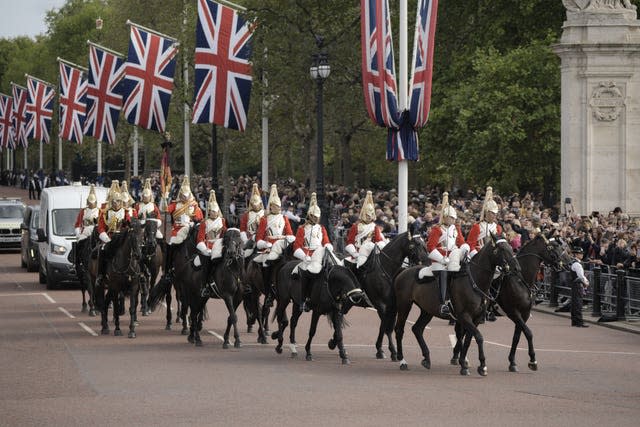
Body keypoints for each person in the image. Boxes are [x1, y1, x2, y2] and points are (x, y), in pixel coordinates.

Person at [418, 192, 470, 315]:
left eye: (454, 218)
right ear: (445, 217)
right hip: (439, 260)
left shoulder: (455, 228)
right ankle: (443, 303)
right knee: (443, 274)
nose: (453, 220)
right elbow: (430, 247)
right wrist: (442, 259)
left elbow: (461, 241)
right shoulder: (437, 229)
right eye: (451, 218)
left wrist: (465, 248)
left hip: (453, 258)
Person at [292, 193, 335, 312]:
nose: (317, 218)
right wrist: (304, 256)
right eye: (315, 216)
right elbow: (297, 247)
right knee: (306, 274)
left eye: (318, 216)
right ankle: (303, 299)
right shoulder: (302, 229)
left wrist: (328, 246)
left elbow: (326, 241)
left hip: (320, 253)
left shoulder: (321, 228)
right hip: (307, 256)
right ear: (310, 216)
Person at [164, 176, 204, 279]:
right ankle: (168, 268)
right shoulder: (175, 205)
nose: (185, 198)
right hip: (176, 230)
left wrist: (194, 222)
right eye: (183, 195)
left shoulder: (194, 206)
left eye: (186, 196)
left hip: (190, 229)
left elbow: (199, 219)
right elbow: (167, 213)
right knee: (169, 245)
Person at [95, 183, 131, 287]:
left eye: (118, 201)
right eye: (114, 201)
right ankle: (101, 275)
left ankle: (138, 274)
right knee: (102, 251)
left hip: (122, 238)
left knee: (135, 250)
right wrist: (105, 237)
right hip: (109, 237)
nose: (116, 204)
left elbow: (128, 225)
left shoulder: (125, 212)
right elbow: (101, 227)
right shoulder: (105, 212)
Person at [254, 184, 295, 265]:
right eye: (275, 206)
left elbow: (290, 234)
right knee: (265, 264)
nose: (277, 208)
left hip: (283, 245)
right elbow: (259, 238)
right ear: (271, 207)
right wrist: (265, 244)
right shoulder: (264, 219)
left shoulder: (284, 218)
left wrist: (287, 238)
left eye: (278, 206)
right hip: (269, 246)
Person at [344, 191, 387, 268]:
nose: (369, 217)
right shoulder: (355, 226)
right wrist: (354, 253)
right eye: (367, 215)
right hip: (357, 254)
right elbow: (350, 242)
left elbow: (378, 240)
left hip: (372, 254)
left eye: (371, 215)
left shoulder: (374, 227)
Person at [197, 190, 227, 298]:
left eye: (215, 211)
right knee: (206, 265)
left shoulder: (222, 221)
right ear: (209, 212)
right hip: (208, 247)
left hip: (220, 246)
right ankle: (204, 286)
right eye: (211, 211)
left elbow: (225, 234)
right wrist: (205, 250)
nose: (213, 213)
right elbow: (200, 239)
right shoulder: (204, 223)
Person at [466, 186, 502, 258]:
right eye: (492, 213)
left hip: (493, 256)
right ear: (487, 213)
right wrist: (477, 256)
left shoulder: (498, 228)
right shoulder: (477, 226)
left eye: (495, 213)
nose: (494, 215)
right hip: (478, 254)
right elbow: (471, 244)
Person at [73, 184, 100, 266]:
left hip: (96, 232)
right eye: (90, 203)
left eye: (93, 203)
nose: (92, 204)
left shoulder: (100, 211)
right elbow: (78, 224)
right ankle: (76, 263)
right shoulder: (83, 211)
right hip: (85, 231)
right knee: (78, 243)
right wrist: (78, 233)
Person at [239, 183, 264, 257]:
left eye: (257, 204)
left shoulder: (265, 214)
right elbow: (242, 229)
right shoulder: (247, 215)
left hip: (263, 238)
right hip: (250, 239)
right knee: (245, 256)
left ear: (260, 204)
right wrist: (246, 240)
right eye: (254, 204)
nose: (256, 206)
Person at [569, 246, 590, 327]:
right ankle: (579, 322)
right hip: (578, 284)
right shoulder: (577, 264)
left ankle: (574, 321)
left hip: (574, 284)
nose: (582, 255)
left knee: (575, 303)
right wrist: (586, 282)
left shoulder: (573, 263)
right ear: (576, 254)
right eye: (580, 253)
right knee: (578, 303)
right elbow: (581, 276)